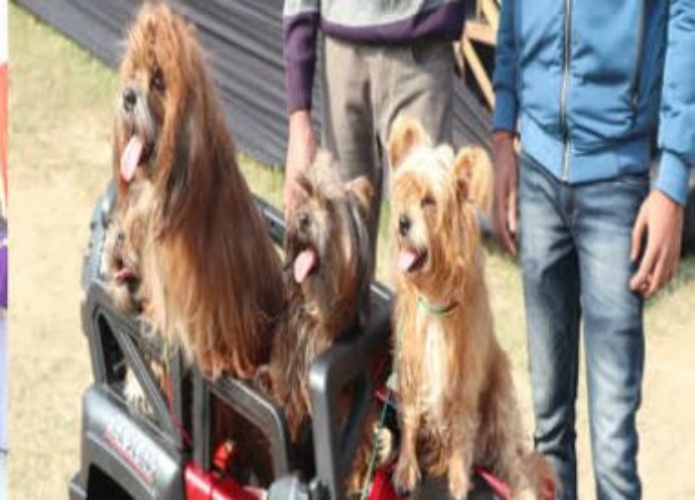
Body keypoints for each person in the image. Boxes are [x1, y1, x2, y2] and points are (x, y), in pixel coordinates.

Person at [492, 2, 693, 499]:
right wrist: (502, 130)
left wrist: (671, 181)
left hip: (618, 181)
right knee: (549, 430)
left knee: (613, 450)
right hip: (536, 171)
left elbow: (686, 17)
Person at [282, 0, 466, 243]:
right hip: (341, 54)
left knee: (427, 252)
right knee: (338, 251)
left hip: (422, 45)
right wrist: (298, 120)